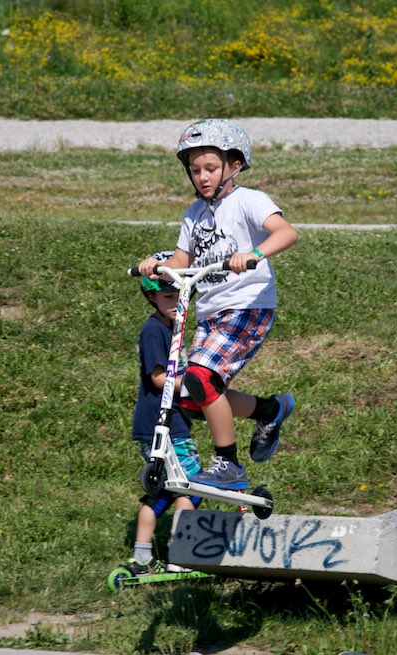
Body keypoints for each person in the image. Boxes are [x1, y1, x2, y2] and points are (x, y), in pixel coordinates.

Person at [138, 118, 298, 491]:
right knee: (193, 397)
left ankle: (228, 464)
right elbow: (181, 262)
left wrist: (254, 254)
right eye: (195, 170)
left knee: (200, 380)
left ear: (234, 165)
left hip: (247, 306)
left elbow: (287, 232)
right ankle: (270, 409)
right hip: (211, 312)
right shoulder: (194, 214)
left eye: (210, 168)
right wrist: (156, 266)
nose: (202, 177)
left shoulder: (249, 200)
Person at [126, 252, 203, 574]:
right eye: (168, 297)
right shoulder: (155, 330)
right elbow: (159, 378)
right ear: (152, 297)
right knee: (192, 485)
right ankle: (182, 556)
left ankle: (142, 557)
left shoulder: (171, 327)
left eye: (180, 295)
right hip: (164, 424)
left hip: (165, 422)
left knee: (165, 491)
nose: (175, 302)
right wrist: (197, 387)